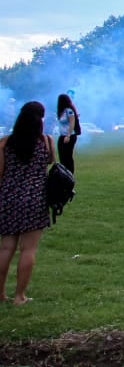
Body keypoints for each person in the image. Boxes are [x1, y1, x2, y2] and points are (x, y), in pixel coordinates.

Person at [0, 101, 54, 305]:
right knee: (28, 249)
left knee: (6, 248)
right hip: (34, 199)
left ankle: (1, 293)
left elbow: (0, 173)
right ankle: (19, 296)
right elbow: (50, 162)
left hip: (8, 198)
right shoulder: (46, 141)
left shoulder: (5, 143)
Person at [55, 93, 81, 173]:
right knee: (62, 157)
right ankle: (63, 173)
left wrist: (68, 136)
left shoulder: (69, 111)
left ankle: (69, 174)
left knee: (68, 157)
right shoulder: (61, 112)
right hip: (62, 135)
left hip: (69, 135)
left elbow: (72, 123)